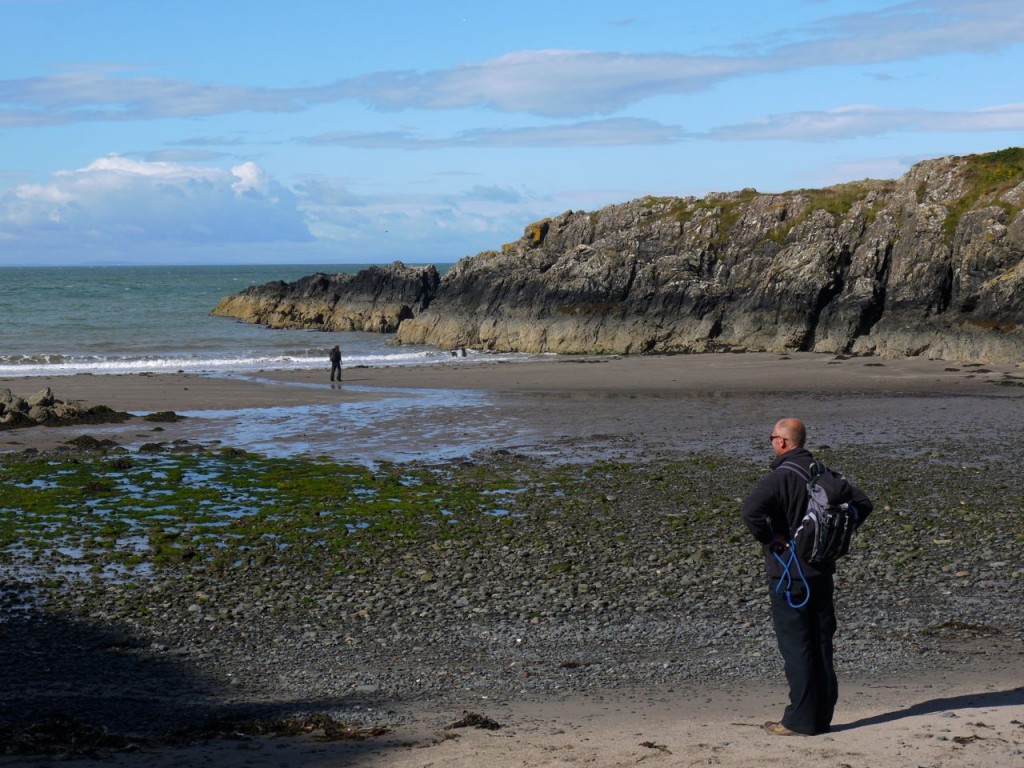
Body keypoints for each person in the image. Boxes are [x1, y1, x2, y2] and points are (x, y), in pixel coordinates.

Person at [740, 418, 872, 736]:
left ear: (783, 442)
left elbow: (750, 511)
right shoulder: (823, 473)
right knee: (821, 644)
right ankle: (820, 717)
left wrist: (771, 538)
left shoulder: (779, 477)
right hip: (821, 571)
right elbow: (863, 504)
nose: (771, 442)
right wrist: (833, 538)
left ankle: (800, 721)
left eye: (772, 437)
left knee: (798, 648)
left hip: (790, 576)